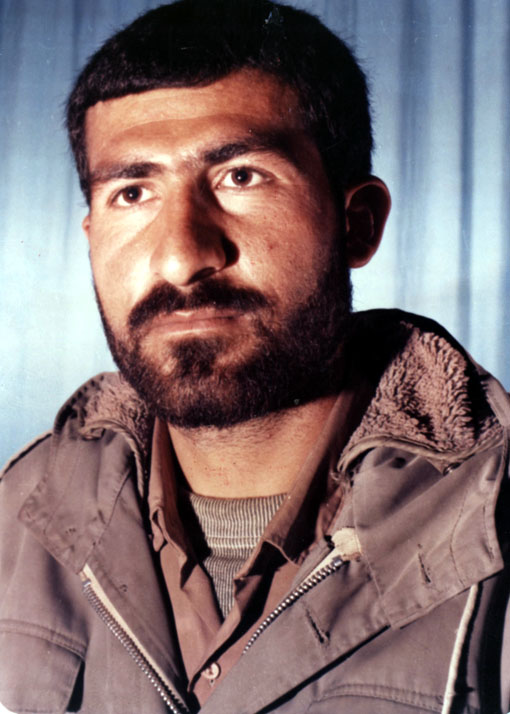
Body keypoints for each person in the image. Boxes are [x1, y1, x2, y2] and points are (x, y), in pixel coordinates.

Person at [1, 0, 509, 712]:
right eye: (133, 192)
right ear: (90, 236)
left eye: (240, 177)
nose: (181, 256)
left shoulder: (494, 519)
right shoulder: (17, 516)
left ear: (357, 223)